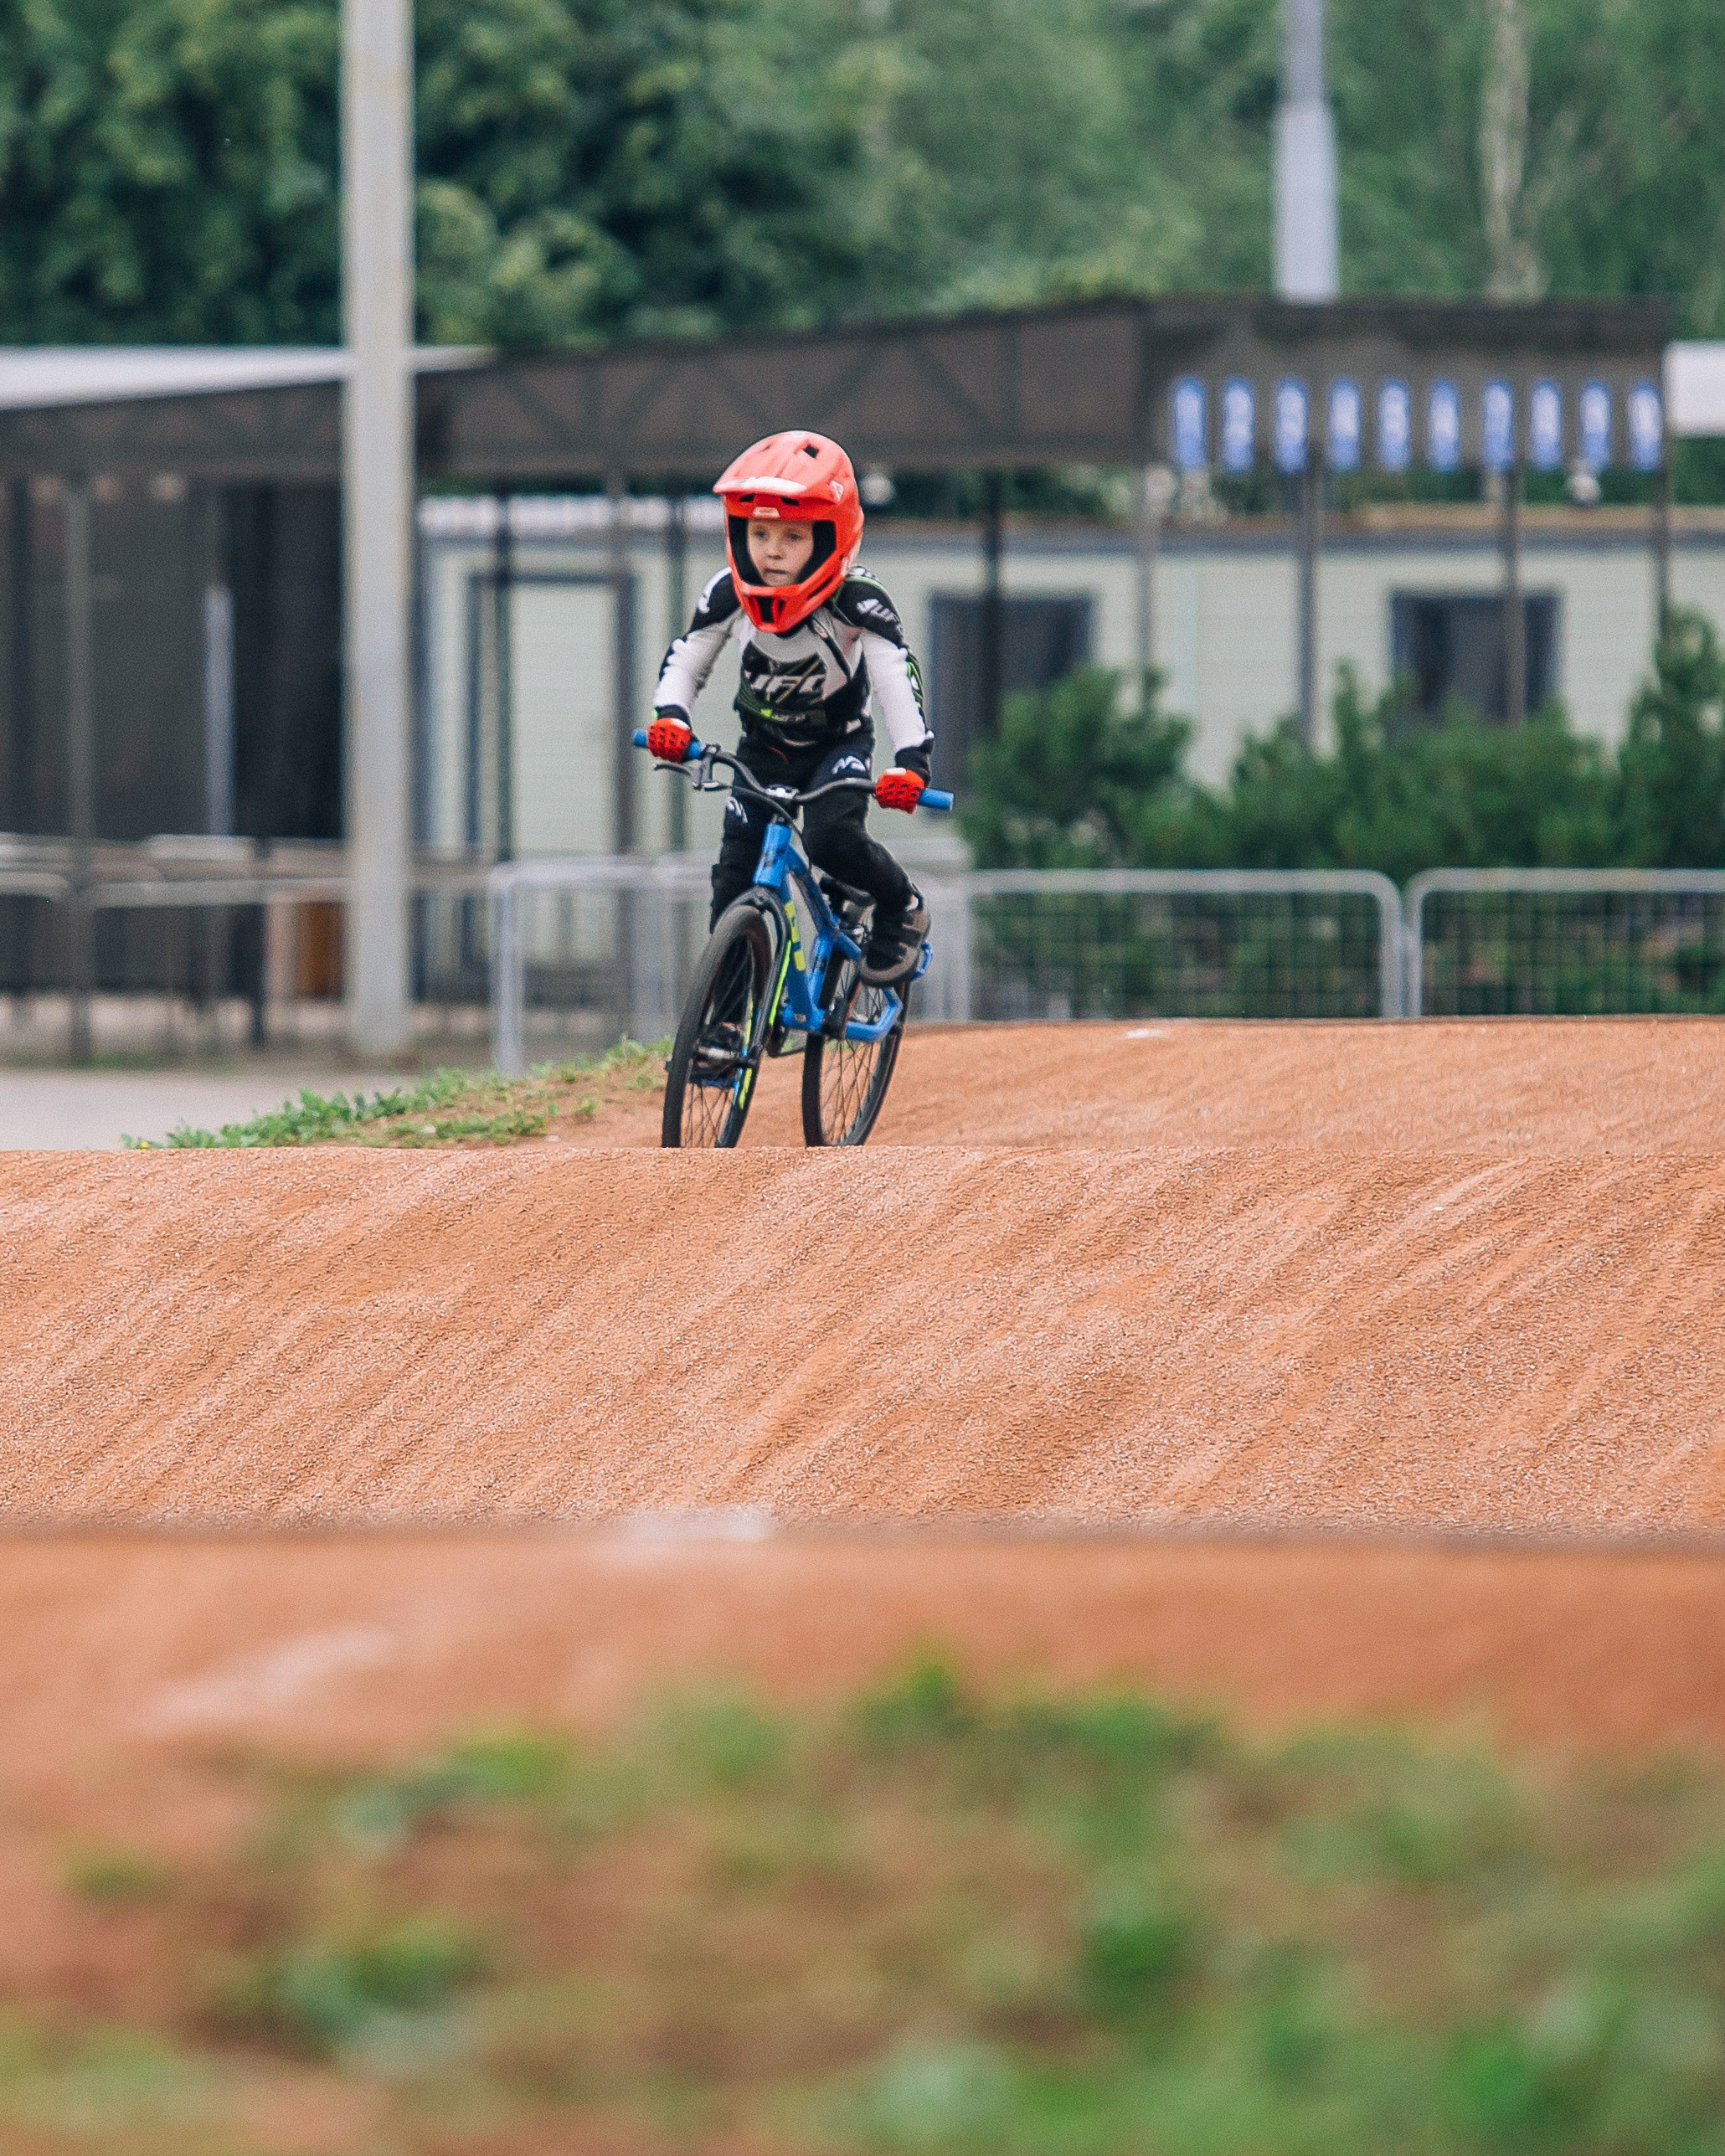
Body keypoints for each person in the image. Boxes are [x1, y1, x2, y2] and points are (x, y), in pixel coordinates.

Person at [646, 430, 933, 985]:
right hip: (762, 749)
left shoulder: (859, 601)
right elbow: (688, 658)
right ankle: (728, 1018)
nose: (772, 551)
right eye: (759, 533)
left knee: (832, 840)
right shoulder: (728, 592)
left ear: (832, 537)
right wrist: (672, 717)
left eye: (793, 535)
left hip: (837, 746)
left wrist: (911, 763)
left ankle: (901, 904)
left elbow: (896, 680)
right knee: (733, 878)